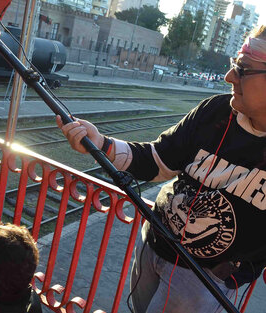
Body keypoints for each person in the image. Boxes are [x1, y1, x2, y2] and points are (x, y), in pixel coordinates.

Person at [57, 25, 266, 313]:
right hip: (152, 245)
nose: (229, 77)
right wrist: (102, 144)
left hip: (206, 282)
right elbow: (158, 160)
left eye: (242, 68)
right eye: (233, 65)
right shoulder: (215, 111)